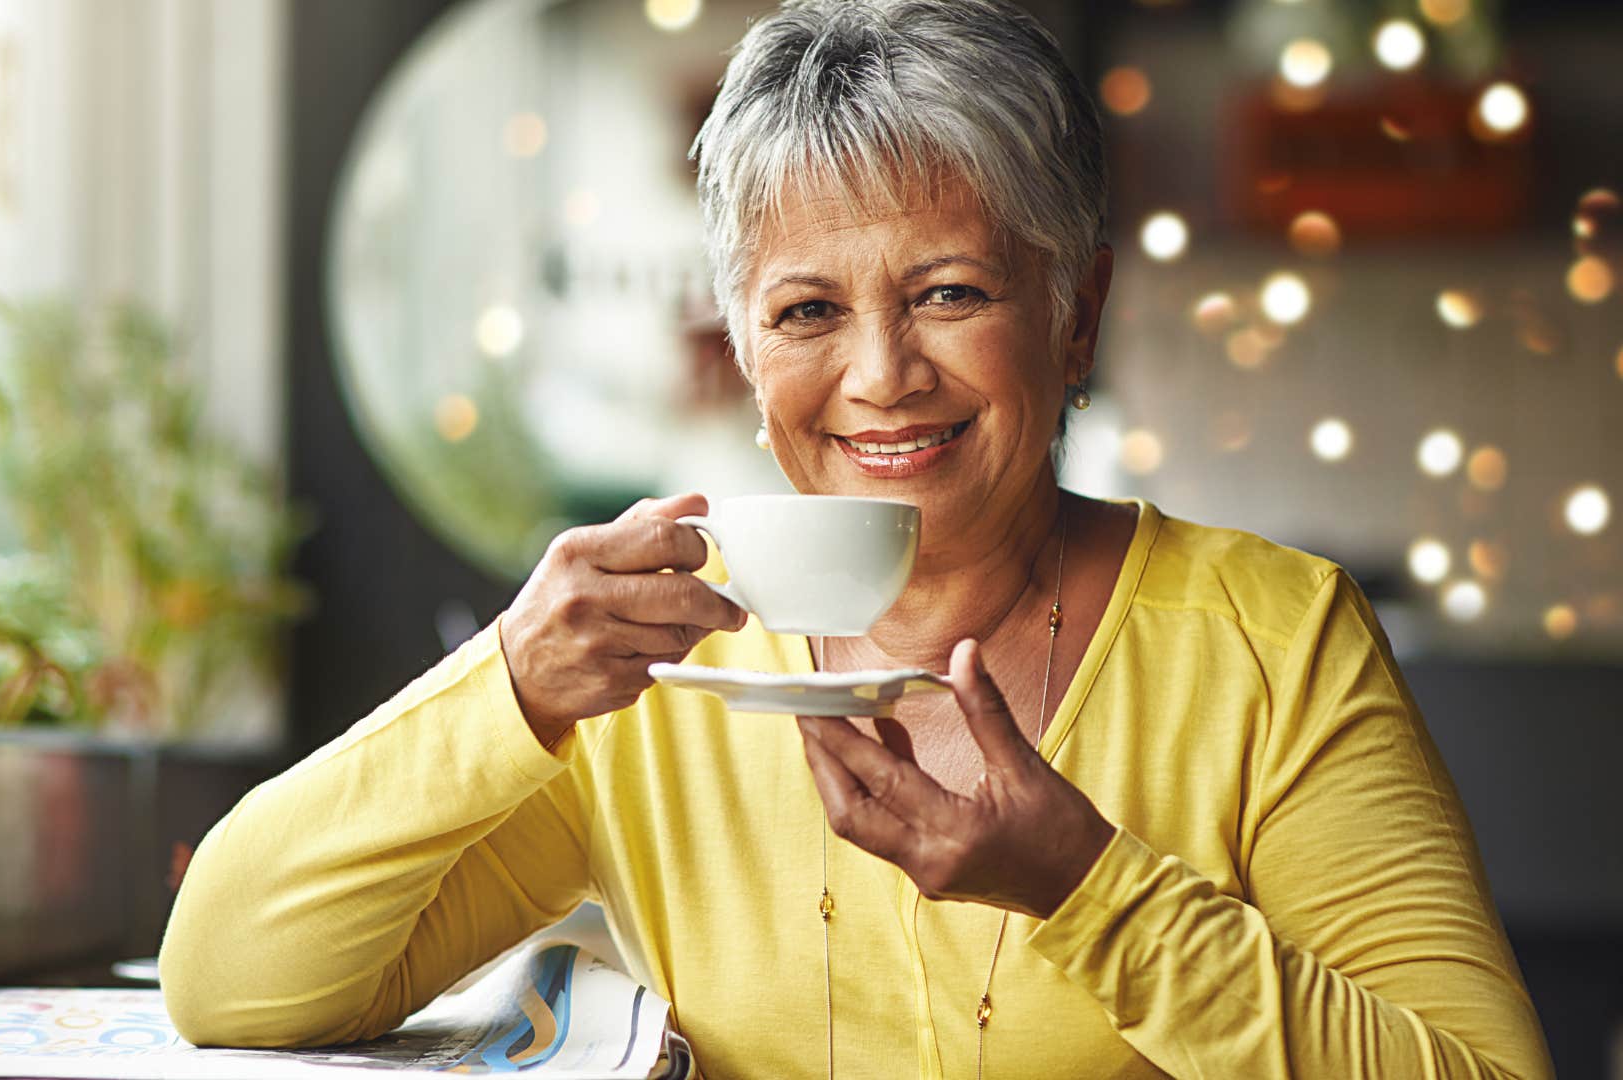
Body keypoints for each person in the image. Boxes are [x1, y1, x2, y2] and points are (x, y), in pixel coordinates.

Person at [159, 1, 1554, 1076]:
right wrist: (508, 683)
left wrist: (1090, 891)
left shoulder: (1269, 641)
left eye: (948, 292)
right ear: (747, 349)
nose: (882, 376)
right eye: (807, 312)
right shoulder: (660, 685)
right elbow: (227, 978)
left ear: (1076, 312)